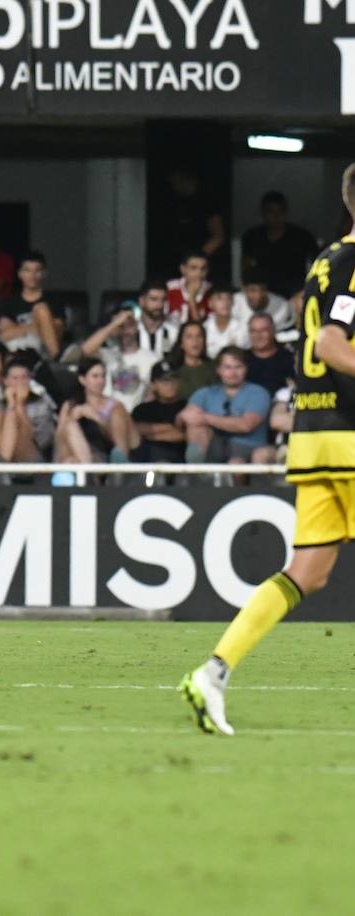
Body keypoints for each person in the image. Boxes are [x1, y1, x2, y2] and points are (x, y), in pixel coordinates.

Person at [180, 164, 355, 737]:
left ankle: (214, 671)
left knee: (309, 571)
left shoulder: (326, 261)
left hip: (312, 435)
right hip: (347, 433)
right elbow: (332, 343)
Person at [178, 346, 270, 464]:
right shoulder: (204, 393)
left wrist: (206, 418)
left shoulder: (258, 392)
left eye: (238, 367)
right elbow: (187, 417)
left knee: (236, 463)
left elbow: (246, 425)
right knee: (195, 426)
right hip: (214, 447)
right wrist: (183, 416)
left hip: (247, 449)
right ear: (218, 370)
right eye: (227, 367)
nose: (233, 373)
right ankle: (196, 468)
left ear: (246, 369)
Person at [54, 357, 136, 464]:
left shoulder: (115, 406)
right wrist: (72, 417)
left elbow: (119, 448)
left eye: (103, 376)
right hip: (74, 455)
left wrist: (97, 418)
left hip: (102, 456)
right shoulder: (70, 404)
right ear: (82, 380)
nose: (101, 381)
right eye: (95, 376)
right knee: (70, 427)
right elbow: (59, 439)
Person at [241, 190, 319, 298]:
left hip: (294, 294)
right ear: (263, 213)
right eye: (271, 211)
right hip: (263, 295)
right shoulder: (252, 236)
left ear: (285, 212)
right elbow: (246, 268)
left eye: (280, 211)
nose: (276, 216)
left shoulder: (301, 236)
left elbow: (317, 264)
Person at [80, 306, 157, 412]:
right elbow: (85, 351)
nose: (125, 329)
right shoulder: (108, 354)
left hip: (136, 417)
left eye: (129, 325)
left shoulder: (152, 359)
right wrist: (114, 325)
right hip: (107, 414)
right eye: (121, 326)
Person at [0, 358, 56, 463]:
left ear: (30, 380)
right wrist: (11, 403)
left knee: (11, 417)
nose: (20, 382)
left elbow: (42, 442)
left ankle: (1, 467)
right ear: (6, 381)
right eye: (15, 378)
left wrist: (19, 405)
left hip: (31, 453)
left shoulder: (41, 404)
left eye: (24, 377)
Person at [0, 252, 62, 359]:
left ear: (44, 273)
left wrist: (19, 329)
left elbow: (58, 330)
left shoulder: (53, 300)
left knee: (41, 308)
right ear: (19, 274)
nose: (32, 275)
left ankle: (56, 356)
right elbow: (4, 335)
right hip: (20, 349)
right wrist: (38, 325)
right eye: (27, 270)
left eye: (37, 270)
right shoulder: (11, 302)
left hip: (45, 348)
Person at [131, 361, 188, 463]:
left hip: (179, 461)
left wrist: (151, 435)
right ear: (153, 385)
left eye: (173, 379)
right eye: (164, 381)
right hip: (148, 460)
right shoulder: (142, 409)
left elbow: (185, 435)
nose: (170, 384)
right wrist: (170, 428)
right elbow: (134, 430)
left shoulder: (187, 406)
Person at [244, 312, 294, 397]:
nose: (258, 336)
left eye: (263, 330)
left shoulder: (289, 358)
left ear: (273, 331)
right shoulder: (241, 360)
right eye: (253, 331)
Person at [169, 320, 217, 399]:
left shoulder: (213, 368)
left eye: (199, 336)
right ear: (181, 343)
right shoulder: (171, 369)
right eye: (189, 337)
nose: (195, 341)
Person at [203, 286, 249, 357]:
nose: (225, 302)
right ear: (210, 303)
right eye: (219, 298)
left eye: (228, 298)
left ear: (233, 302)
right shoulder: (204, 328)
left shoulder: (243, 327)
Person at [166, 250, 211, 322]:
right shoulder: (169, 289)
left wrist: (192, 298)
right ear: (183, 269)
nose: (199, 273)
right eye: (193, 268)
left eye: (203, 269)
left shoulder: (212, 292)